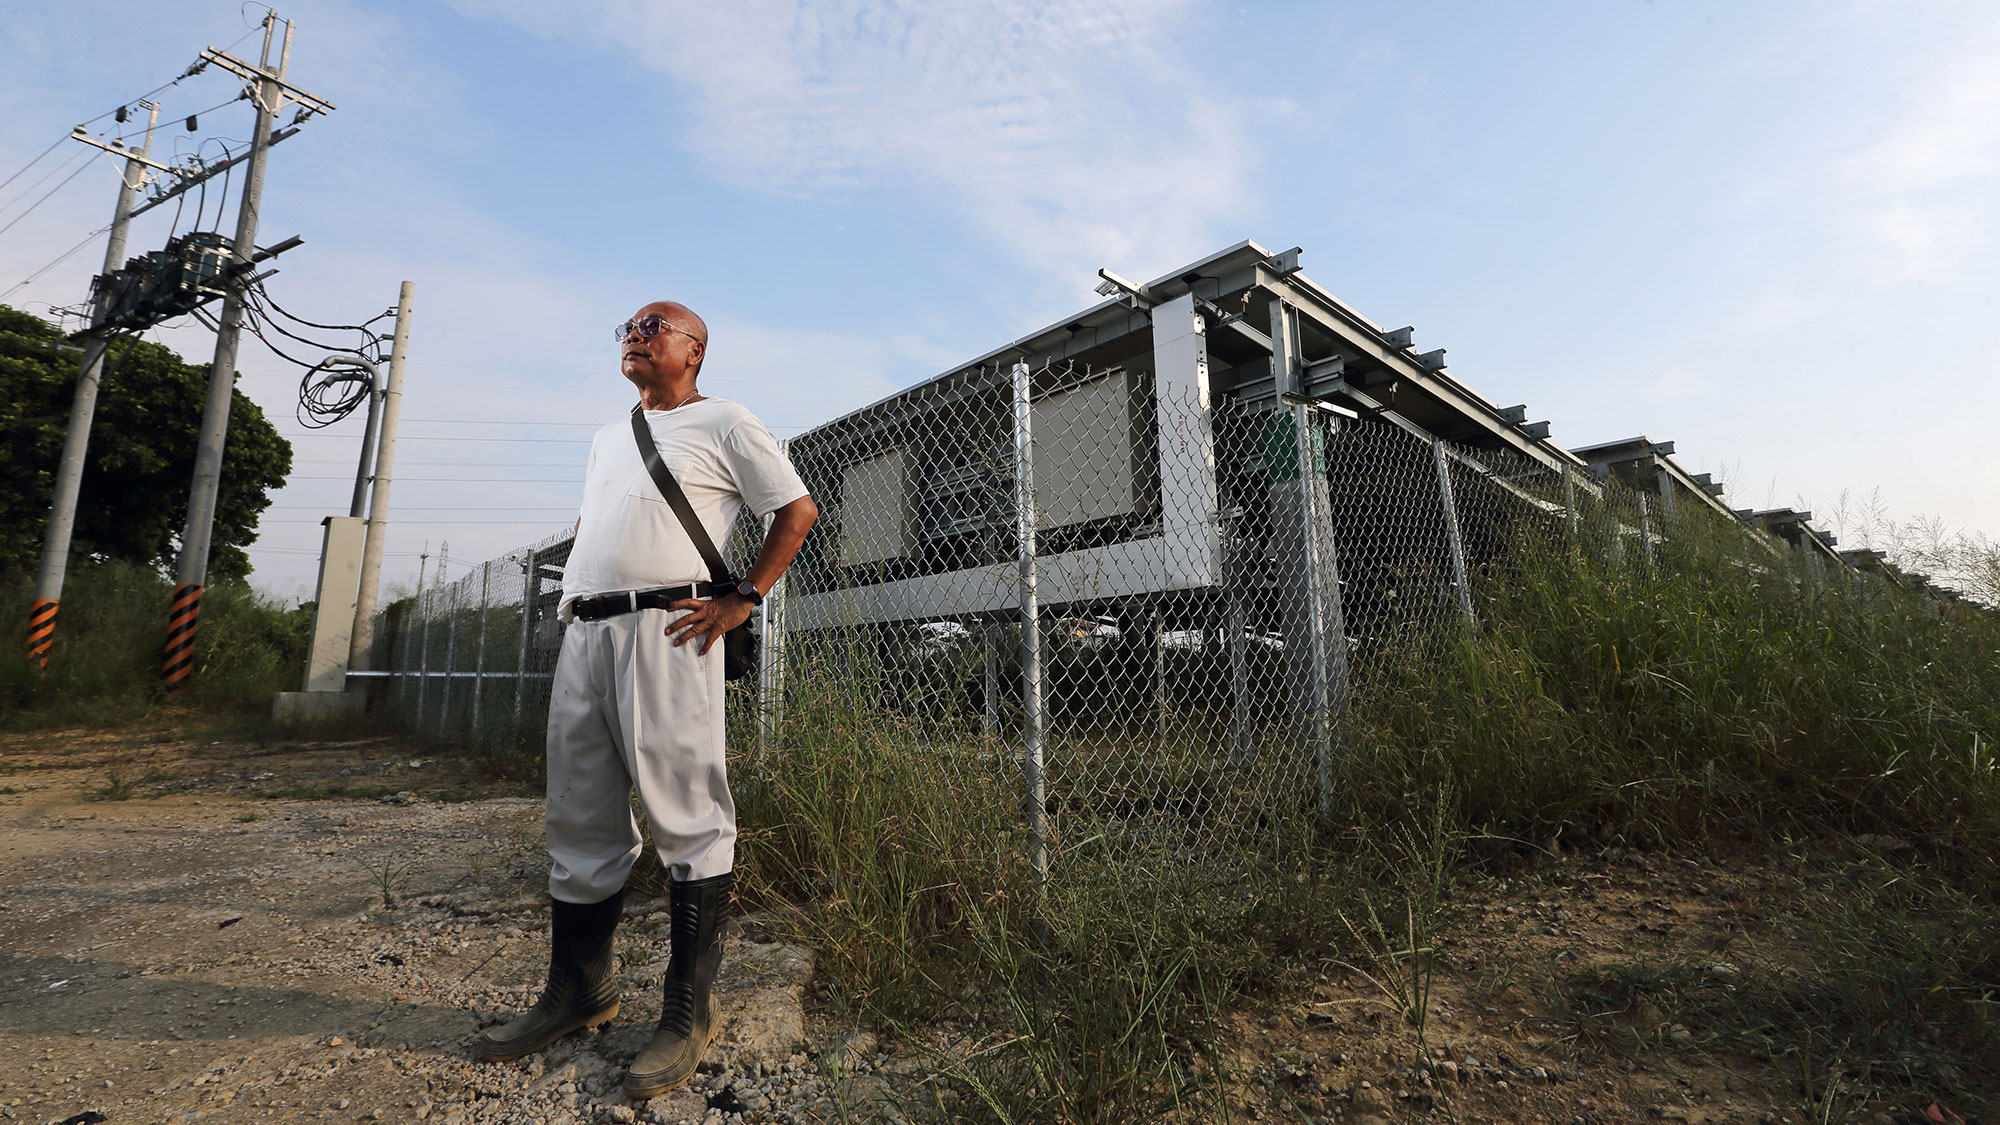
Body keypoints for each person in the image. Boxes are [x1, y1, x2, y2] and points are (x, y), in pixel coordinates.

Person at [474, 300, 818, 1099]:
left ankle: (686, 1012)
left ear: (695, 351)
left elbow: (795, 510)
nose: (635, 332)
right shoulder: (606, 436)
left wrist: (745, 597)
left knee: (687, 814)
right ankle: (578, 993)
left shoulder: (726, 420)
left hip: (671, 629)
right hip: (586, 632)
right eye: (628, 326)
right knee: (580, 812)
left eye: (654, 325)